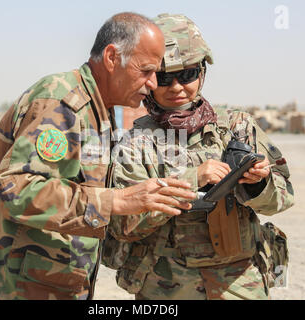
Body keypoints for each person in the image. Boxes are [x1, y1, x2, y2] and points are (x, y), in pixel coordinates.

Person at [0, 12, 197, 300]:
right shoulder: (63, 103)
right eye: (146, 71)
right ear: (111, 58)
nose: (153, 84)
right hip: (22, 288)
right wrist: (116, 201)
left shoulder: (99, 110)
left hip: (52, 283)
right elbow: (16, 188)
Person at [105, 13, 294, 300]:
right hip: (166, 286)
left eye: (188, 74)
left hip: (239, 282)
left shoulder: (236, 125)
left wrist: (257, 184)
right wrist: (192, 179)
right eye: (165, 77)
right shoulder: (136, 142)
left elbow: (284, 197)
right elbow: (123, 225)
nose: (177, 87)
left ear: (202, 72)